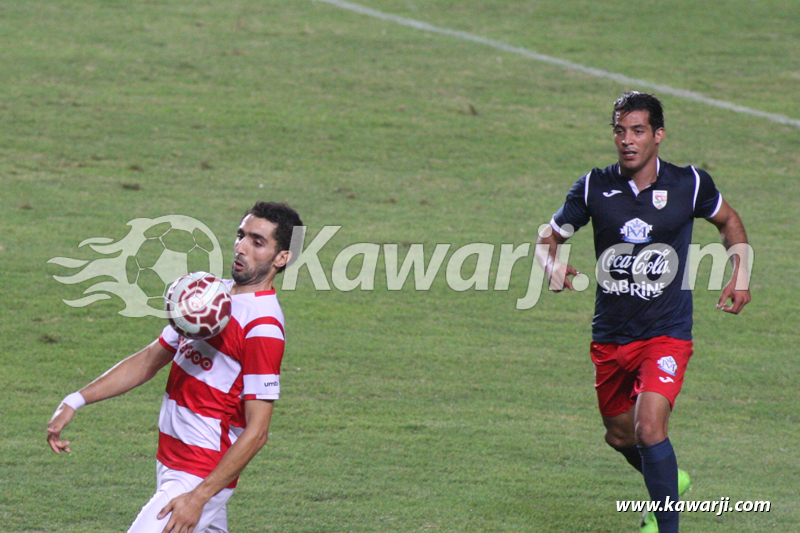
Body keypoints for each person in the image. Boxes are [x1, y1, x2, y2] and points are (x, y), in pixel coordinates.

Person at [536, 92, 751, 533]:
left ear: (658, 135)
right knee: (619, 435)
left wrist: (741, 274)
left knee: (650, 429)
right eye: (620, 131)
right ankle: (669, 482)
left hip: (666, 333)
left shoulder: (690, 184)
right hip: (611, 334)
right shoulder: (594, 187)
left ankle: (666, 523)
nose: (627, 141)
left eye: (637, 131)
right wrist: (550, 263)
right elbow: (547, 238)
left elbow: (728, 221)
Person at [47, 201, 303, 533]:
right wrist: (75, 400)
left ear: (281, 258)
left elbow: (257, 432)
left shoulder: (262, 326)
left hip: (199, 472)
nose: (241, 247)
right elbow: (149, 359)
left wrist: (199, 497)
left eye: (257, 242)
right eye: (241, 235)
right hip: (172, 461)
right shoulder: (209, 297)